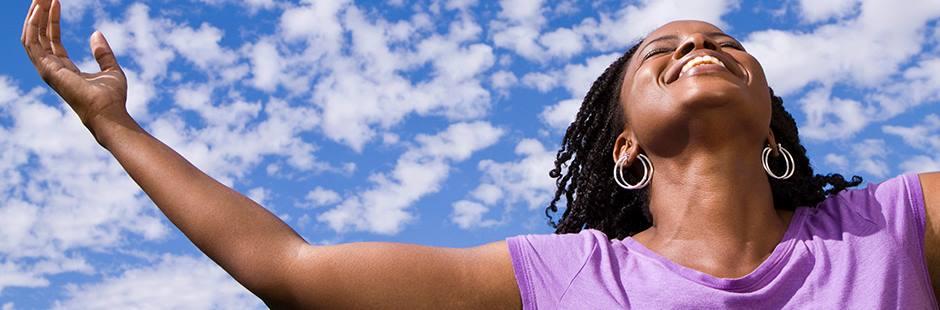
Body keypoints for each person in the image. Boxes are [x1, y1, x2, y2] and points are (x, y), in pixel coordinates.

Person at [19, 0, 939, 308]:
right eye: (661, 51)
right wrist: (117, 127)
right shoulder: (566, 279)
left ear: (773, 122)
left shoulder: (895, 227)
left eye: (727, 45)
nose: (699, 46)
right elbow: (290, 271)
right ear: (623, 143)